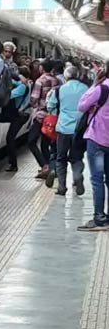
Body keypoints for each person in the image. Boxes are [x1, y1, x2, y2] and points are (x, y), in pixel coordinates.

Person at [46, 65, 87, 195]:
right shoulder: (85, 89)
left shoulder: (59, 90)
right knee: (77, 157)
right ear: (78, 75)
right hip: (80, 129)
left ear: (66, 76)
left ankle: (62, 187)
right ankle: (77, 176)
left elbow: (50, 106)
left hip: (63, 128)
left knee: (61, 158)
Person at [78, 76, 109, 231]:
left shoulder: (101, 88)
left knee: (97, 179)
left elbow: (82, 106)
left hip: (97, 139)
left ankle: (99, 218)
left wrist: (94, 84)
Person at [28, 59, 61, 180]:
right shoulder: (57, 81)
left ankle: (45, 166)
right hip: (52, 117)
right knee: (45, 144)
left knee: (31, 141)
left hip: (41, 116)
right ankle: (50, 169)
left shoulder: (40, 81)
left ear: (42, 68)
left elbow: (33, 99)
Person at [4, 66, 32, 172]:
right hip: (21, 114)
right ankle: (12, 163)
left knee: (10, 138)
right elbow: (15, 83)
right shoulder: (25, 84)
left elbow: (10, 95)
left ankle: (13, 164)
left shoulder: (23, 87)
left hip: (21, 115)